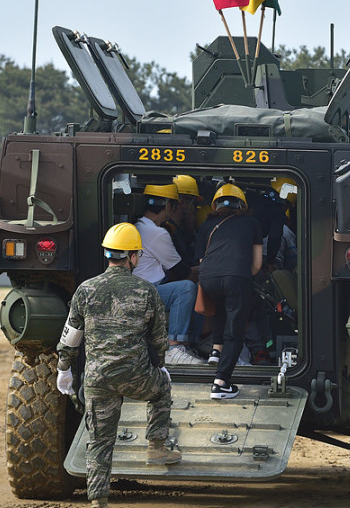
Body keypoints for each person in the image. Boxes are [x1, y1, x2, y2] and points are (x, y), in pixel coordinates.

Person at [55, 223, 181, 508]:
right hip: (135, 375)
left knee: (99, 441)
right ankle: (156, 447)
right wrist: (159, 367)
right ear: (134, 257)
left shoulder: (85, 290)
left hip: (98, 379)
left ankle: (98, 500)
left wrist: (64, 369)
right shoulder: (147, 291)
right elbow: (159, 340)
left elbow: (71, 336)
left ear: (108, 255)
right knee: (161, 388)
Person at [195, 183, 263, 399]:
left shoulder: (207, 225)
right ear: (241, 205)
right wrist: (241, 275)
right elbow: (257, 263)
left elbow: (200, 259)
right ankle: (221, 382)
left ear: (215, 205)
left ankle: (216, 351)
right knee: (235, 329)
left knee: (220, 309)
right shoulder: (251, 223)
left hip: (207, 278)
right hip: (236, 276)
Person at [133, 183, 205, 365]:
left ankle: (187, 344)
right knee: (187, 288)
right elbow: (180, 271)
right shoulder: (156, 233)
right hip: (146, 293)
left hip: (139, 291)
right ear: (168, 206)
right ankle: (174, 347)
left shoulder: (139, 226)